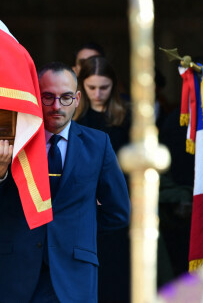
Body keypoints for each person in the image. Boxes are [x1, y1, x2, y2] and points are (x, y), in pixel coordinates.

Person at [0, 62, 130, 303]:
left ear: (77, 99)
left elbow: (118, 212)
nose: (57, 106)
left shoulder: (98, 144)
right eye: (48, 97)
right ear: (35, 96)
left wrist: (77, 229)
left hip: (72, 276)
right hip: (11, 273)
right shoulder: (13, 138)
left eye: (65, 98)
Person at [73, 56, 132, 302]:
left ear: (114, 86)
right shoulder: (75, 121)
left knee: (117, 279)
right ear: (82, 88)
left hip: (119, 207)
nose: (98, 94)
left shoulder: (127, 118)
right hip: (85, 211)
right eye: (92, 87)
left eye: (104, 87)